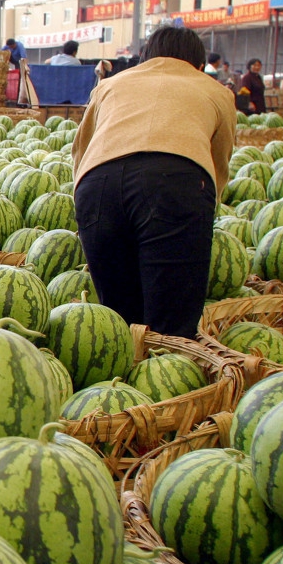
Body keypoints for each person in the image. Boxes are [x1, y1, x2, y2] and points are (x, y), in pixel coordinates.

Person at [72, 26, 236, 339]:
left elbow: (81, 150)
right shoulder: (216, 91)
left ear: (145, 59)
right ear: (199, 66)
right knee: (170, 328)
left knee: (117, 323)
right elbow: (218, 163)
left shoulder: (110, 85)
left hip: (97, 185)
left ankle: (119, 384)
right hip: (176, 183)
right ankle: (167, 382)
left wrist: (86, 210)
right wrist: (202, 214)